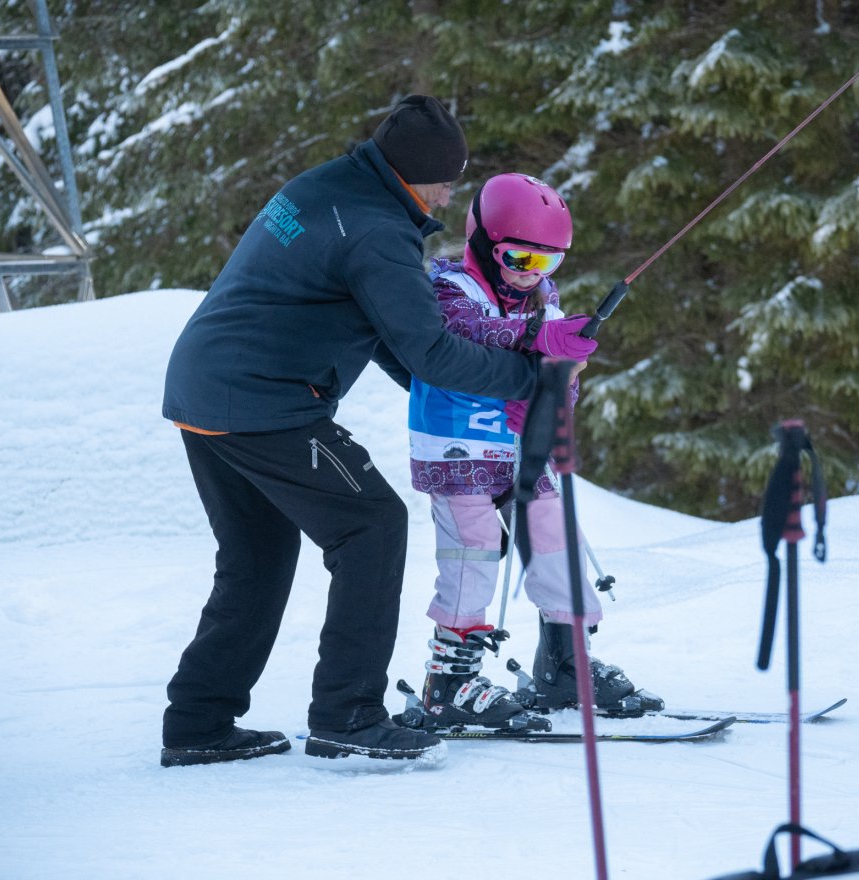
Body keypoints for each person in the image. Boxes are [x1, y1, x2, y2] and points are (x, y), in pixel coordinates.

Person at [157, 96, 591, 767]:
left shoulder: (327, 187)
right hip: (262, 402)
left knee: (258, 554)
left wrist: (477, 380)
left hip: (203, 387)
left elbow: (399, 344)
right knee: (373, 525)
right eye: (448, 180)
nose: (450, 194)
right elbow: (428, 351)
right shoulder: (378, 232)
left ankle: (197, 720)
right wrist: (529, 378)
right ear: (417, 175)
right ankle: (348, 716)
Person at [403, 173, 664, 732]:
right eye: (519, 257)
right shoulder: (450, 285)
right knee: (473, 550)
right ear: (483, 242)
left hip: (519, 444)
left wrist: (558, 379)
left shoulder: (539, 299)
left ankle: (565, 664)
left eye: (548, 263)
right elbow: (467, 330)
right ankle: (450, 680)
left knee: (553, 536)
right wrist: (542, 334)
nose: (531, 274)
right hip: (456, 444)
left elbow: (557, 376)